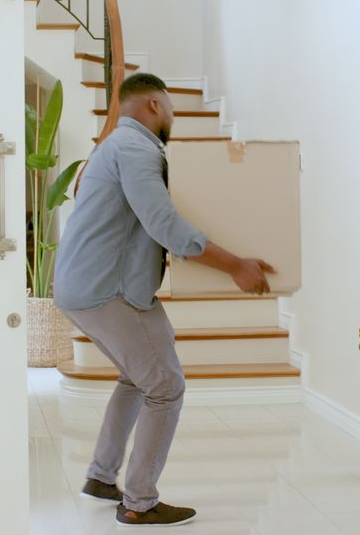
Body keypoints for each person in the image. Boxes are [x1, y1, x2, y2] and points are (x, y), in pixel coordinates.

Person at [53, 73, 276, 528]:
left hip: (82, 287)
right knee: (165, 386)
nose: (173, 115)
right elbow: (164, 224)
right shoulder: (134, 149)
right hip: (108, 290)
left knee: (138, 379)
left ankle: (101, 477)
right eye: (171, 107)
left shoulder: (115, 147)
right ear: (155, 104)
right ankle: (138, 501)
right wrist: (234, 264)